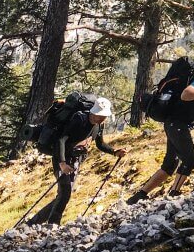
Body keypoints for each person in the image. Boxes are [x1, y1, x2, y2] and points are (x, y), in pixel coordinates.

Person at [130, 64, 194, 201]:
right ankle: (174, 193)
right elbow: (186, 94)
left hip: (175, 125)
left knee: (170, 165)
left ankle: (139, 196)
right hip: (177, 124)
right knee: (190, 159)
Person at [28, 96, 127, 226]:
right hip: (62, 158)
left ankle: (34, 223)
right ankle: (52, 224)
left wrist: (114, 152)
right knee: (65, 192)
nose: (103, 118)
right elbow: (61, 140)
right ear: (93, 112)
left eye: (104, 116)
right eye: (100, 115)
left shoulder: (98, 125)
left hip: (76, 160)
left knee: (64, 195)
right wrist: (62, 163)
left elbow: (100, 144)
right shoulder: (79, 119)